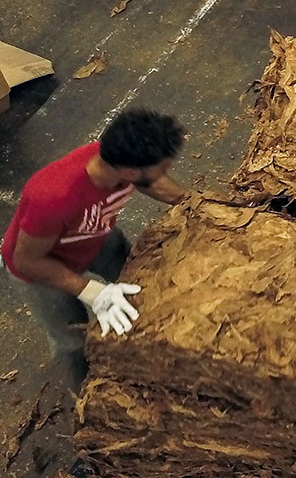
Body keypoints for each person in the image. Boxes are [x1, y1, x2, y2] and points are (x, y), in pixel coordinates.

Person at [1, 109, 188, 385]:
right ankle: (84, 394)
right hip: (41, 268)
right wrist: (91, 291)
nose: (168, 169)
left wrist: (192, 202)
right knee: (73, 341)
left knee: (140, 284)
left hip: (95, 236)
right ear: (131, 171)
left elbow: (153, 182)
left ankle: (144, 345)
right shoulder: (53, 198)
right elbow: (27, 261)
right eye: (163, 164)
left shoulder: (116, 164)